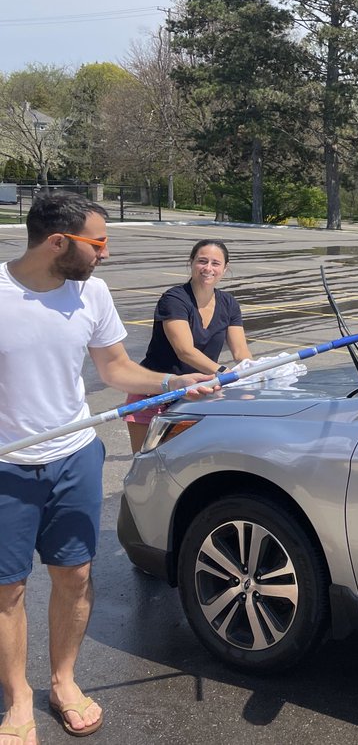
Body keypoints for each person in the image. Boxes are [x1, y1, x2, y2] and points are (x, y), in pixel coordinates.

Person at [0, 192, 216, 743]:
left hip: (73, 455)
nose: (106, 253)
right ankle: (18, 697)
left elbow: (116, 367)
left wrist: (174, 381)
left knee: (75, 576)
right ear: (58, 242)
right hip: (6, 467)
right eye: (97, 243)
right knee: (7, 590)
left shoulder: (91, 292)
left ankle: (63, 681)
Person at [124, 239, 253, 453]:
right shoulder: (174, 299)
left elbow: (241, 352)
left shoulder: (229, 303)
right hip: (156, 394)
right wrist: (223, 372)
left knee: (188, 463)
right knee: (147, 463)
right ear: (191, 262)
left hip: (196, 396)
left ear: (225, 268)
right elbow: (185, 351)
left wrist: (255, 371)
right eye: (202, 261)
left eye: (215, 263)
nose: (208, 268)